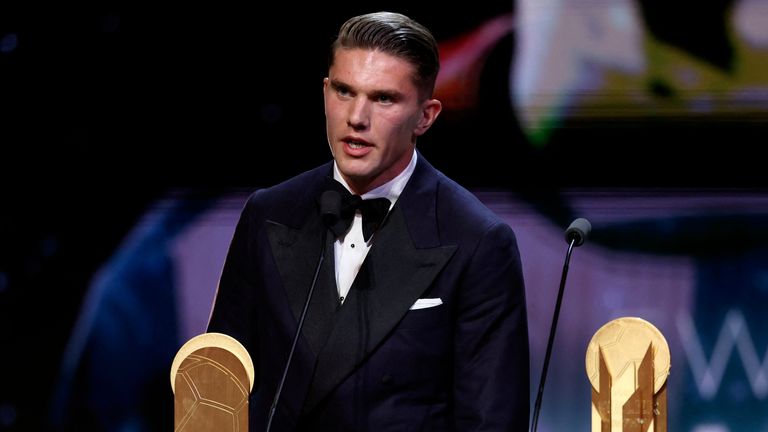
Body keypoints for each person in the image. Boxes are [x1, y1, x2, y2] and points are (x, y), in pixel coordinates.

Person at [207, 11, 529, 431]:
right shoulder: (268, 214)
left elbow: (492, 421)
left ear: (425, 116)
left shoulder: (477, 241)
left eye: (383, 99)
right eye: (344, 91)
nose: (356, 117)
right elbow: (218, 386)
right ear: (325, 92)